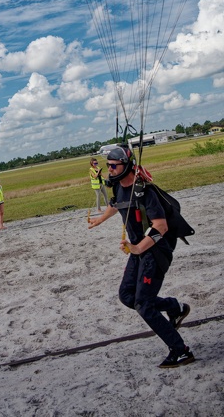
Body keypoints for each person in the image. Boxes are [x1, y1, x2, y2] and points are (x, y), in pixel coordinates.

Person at [88, 145, 194, 369]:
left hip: (155, 251)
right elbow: (115, 204)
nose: (109, 169)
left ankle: (181, 351)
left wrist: (137, 248)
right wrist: (99, 220)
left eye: (113, 166)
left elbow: (161, 227)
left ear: (125, 166)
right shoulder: (120, 187)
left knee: (144, 305)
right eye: (108, 165)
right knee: (127, 296)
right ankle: (174, 307)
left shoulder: (145, 191)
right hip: (139, 250)